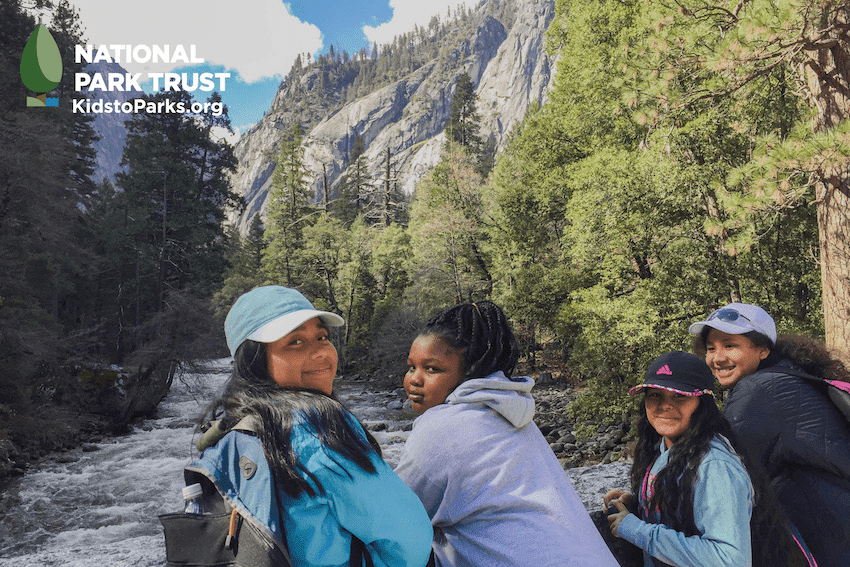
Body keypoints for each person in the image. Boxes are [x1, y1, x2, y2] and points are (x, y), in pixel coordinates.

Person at [190, 285, 433, 567]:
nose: (320, 353)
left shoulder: (231, 426)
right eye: (295, 342)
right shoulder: (317, 425)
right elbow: (410, 540)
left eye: (321, 337)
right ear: (255, 359)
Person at [394, 300, 619, 567]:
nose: (414, 379)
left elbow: (393, 516)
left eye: (432, 369)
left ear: (471, 370)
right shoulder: (513, 413)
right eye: (411, 367)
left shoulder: (441, 426)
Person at [604, 351, 812, 567]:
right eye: (654, 395)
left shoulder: (715, 466)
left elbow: (729, 561)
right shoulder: (665, 447)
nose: (664, 405)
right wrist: (643, 505)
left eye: (679, 396)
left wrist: (637, 530)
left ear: (702, 404)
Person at [689, 302, 850, 567]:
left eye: (730, 345)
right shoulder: (791, 376)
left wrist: (648, 498)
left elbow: (720, 476)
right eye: (711, 347)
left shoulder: (758, 390)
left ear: (763, 349)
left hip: (829, 546)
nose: (717, 358)